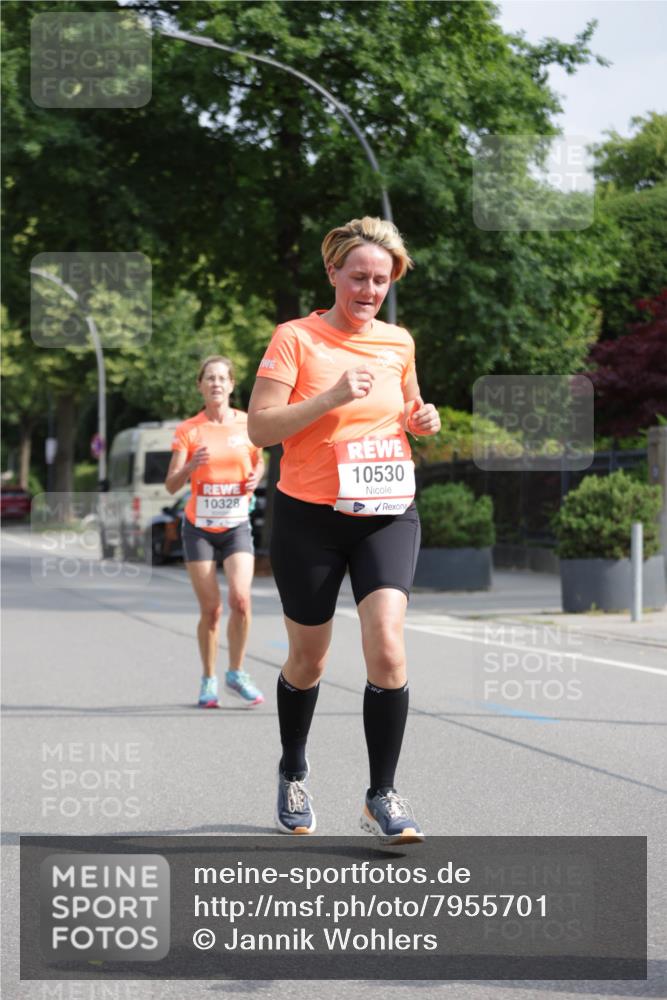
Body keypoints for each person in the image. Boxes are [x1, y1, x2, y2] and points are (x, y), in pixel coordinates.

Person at [248, 217, 441, 843]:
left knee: (387, 647)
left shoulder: (398, 342)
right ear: (332, 273)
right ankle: (294, 769)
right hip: (310, 517)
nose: (369, 290)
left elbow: (406, 409)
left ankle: (381, 795)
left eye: (381, 280)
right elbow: (261, 429)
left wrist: (422, 420)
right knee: (309, 660)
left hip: (385, 511)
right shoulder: (295, 339)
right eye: (358, 277)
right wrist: (329, 397)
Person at [166, 356, 265, 709]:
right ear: (200, 385)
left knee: (241, 599)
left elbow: (259, 459)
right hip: (200, 530)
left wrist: (258, 476)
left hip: (236, 525)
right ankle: (208, 678)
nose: (216, 384)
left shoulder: (248, 424)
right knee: (212, 610)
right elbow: (170, 485)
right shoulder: (188, 430)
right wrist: (191, 465)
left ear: (232, 385)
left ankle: (236, 672)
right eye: (209, 378)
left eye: (222, 378)